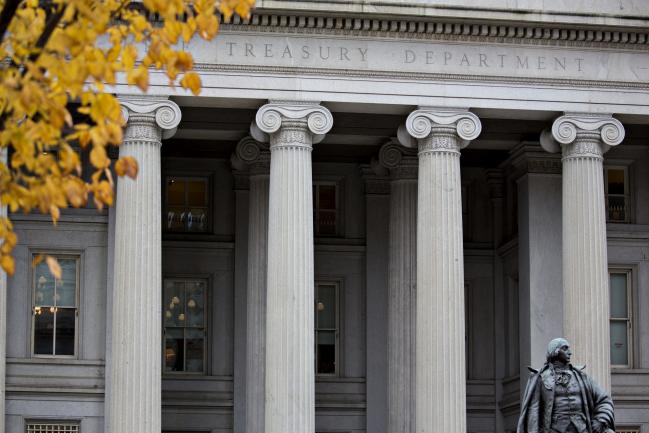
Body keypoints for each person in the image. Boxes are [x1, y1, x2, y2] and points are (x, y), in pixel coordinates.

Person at [517, 338, 615, 433]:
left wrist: (600, 420)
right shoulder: (541, 377)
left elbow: (604, 399)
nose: (570, 352)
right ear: (555, 351)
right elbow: (534, 410)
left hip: (581, 429)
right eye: (565, 348)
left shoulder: (582, 377)